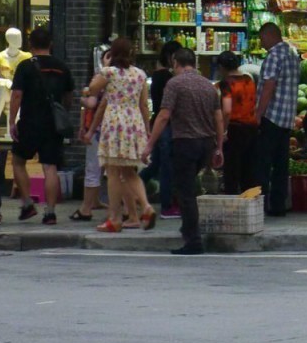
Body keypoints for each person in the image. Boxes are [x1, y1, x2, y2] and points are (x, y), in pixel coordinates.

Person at [145, 48, 225, 255]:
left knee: (185, 192)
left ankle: (193, 240)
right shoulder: (208, 85)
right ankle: (187, 228)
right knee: (189, 188)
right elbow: (218, 117)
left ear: (175, 62)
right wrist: (219, 147)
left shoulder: (175, 84)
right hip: (206, 144)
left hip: (185, 143)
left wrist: (150, 144)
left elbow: (163, 115)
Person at [84, 37, 157, 233]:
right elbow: (143, 104)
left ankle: (115, 218)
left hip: (115, 124)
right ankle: (147, 207)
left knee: (114, 172)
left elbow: (91, 90)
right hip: (135, 123)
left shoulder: (109, 73)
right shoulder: (140, 74)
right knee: (129, 171)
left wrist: (104, 66)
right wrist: (148, 129)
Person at [9, 26, 73, 225]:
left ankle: (27, 203)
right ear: (50, 44)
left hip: (30, 122)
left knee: (18, 161)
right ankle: (51, 212)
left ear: (31, 45)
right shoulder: (62, 67)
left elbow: (17, 95)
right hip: (53, 124)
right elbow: (68, 96)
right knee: (50, 167)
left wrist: (11, 121)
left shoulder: (25, 66)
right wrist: (62, 112)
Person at [254, 22, 299, 217]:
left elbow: (268, 87)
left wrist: (257, 115)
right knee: (281, 164)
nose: (261, 42)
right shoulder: (292, 53)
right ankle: (278, 205)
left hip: (271, 116)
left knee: (263, 163)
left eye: (262, 38)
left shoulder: (274, 55)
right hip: (287, 116)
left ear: (270, 35)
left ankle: (261, 205)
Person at [141, 41, 182, 219]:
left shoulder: (159, 75)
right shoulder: (167, 77)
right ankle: (166, 206)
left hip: (158, 123)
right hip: (165, 125)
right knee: (166, 166)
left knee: (155, 164)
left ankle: (132, 189)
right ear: (170, 57)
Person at [72, 48, 112, 222]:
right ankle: (96, 201)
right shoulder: (125, 77)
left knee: (93, 168)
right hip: (115, 129)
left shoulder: (101, 78)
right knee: (109, 169)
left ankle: (86, 207)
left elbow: (91, 103)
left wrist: (81, 98)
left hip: (97, 130)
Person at [217, 50, 259, 194]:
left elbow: (227, 110)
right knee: (249, 170)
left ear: (222, 67)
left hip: (235, 129)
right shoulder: (249, 80)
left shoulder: (226, 83)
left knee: (232, 171)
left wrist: (223, 131)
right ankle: (251, 204)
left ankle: (232, 205)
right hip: (252, 128)